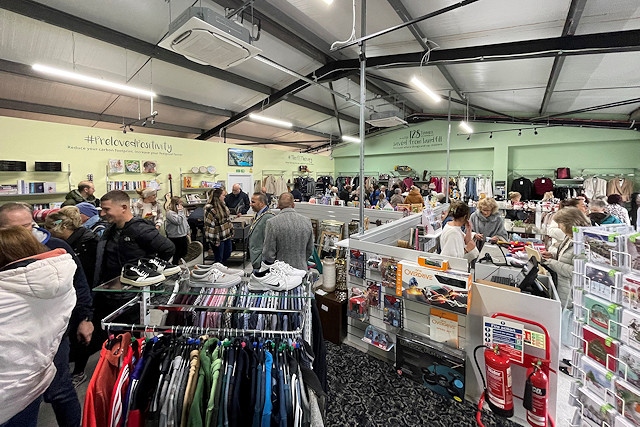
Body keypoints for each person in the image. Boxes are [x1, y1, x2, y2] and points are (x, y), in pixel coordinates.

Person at [0, 202, 94, 427]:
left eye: (29, 225)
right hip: (17, 345)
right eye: (18, 228)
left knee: (59, 391)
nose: (27, 233)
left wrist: (85, 317)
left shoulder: (56, 247)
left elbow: (77, 284)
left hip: (51, 335)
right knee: (24, 399)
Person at [94, 190, 175, 327]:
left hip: (133, 295)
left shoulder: (140, 229)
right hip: (111, 292)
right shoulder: (111, 230)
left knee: (131, 333)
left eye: (106, 209)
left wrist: (150, 270)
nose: (102, 214)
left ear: (124, 208)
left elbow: (168, 248)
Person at [44, 206, 101, 388]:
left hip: (82, 294)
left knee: (80, 335)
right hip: (70, 295)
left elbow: (87, 273)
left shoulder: (85, 242)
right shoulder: (69, 242)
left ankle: (79, 371)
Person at [540, 207, 591, 307]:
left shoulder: (582, 243)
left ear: (569, 223)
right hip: (562, 289)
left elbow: (577, 271)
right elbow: (567, 258)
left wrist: (551, 262)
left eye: (560, 224)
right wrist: (553, 256)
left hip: (570, 295)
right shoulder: (569, 237)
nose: (559, 227)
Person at [261, 192, 314, 271]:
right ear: (293, 205)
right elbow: (310, 249)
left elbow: (268, 254)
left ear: (278, 206)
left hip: (281, 273)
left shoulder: (272, 223)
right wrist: (302, 260)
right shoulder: (307, 221)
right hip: (301, 270)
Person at [204, 188, 235, 264]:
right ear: (218, 196)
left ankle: (221, 268)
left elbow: (227, 219)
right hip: (217, 237)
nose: (225, 197)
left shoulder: (223, 205)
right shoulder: (209, 208)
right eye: (223, 195)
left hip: (226, 235)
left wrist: (231, 230)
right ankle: (217, 271)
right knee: (219, 258)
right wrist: (215, 240)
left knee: (228, 253)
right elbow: (210, 226)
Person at [248, 192, 275, 271]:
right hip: (256, 260)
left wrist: (261, 259)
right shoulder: (259, 215)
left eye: (253, 202)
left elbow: (270, 242)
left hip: (261, 262)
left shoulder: (268, 217)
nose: (250, 204)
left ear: (261, 203)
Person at [165, 196, 190, 262]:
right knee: (177, 253)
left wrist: (188, 230)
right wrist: (180, 212)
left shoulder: (180, 212)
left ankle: (179, 263)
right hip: (175, 237)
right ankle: (174, 266)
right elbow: (178, 222)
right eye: (180, 204)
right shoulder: (170, 213)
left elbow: (184, 221)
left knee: (184, 252)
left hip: (183, 235)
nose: (182, 206)